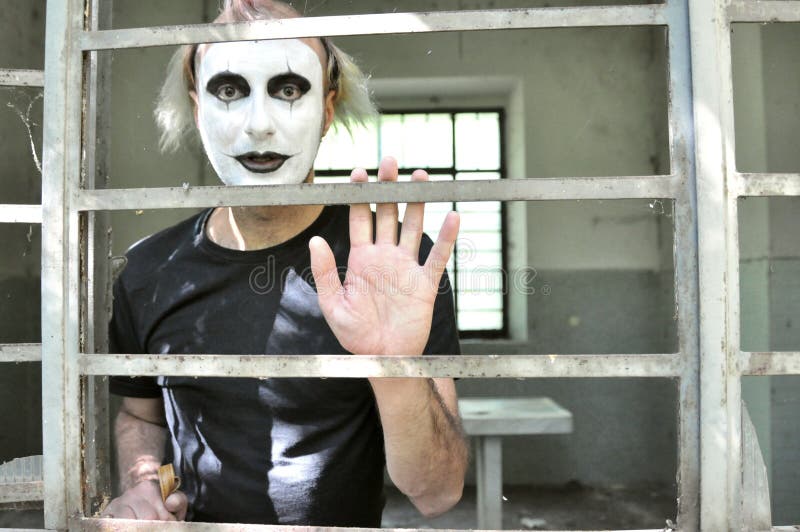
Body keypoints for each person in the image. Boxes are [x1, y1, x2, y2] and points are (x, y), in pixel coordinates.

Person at [102, 0, 468, 526]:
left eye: (289, 89)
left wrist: (396, 371)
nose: (258, 127)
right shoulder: (147, 270)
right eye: (229, 90)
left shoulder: (394, 266)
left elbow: (438, 493)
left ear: (327, 107)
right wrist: (142, 487)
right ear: (197, 106)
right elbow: (140, 412)